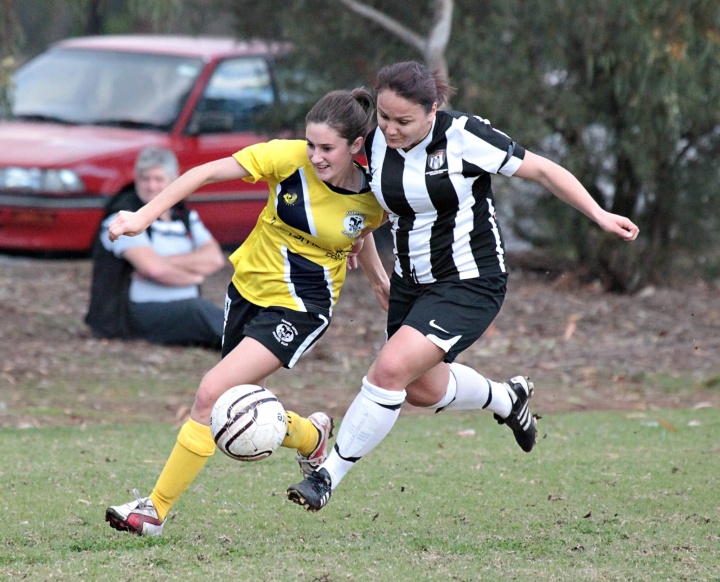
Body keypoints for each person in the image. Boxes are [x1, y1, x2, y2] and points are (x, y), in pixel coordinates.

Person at [287, 61, 640, 511]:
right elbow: (370, 211)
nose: (391, 130)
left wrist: (600, 215)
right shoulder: (374, 144)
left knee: (389, 370)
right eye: (385, 118)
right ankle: (506, 398)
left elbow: (545, 172)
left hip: (470, 281)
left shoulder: (464, 136)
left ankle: (326, 477)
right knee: (421, 390)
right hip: (412, 283)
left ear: (433, 110)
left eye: (403, 121)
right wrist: (375, 271)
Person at [104, 88, 388, 536]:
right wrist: (143, 216)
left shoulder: (376, 193)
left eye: (326, 148)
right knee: (232, 403)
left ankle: (153, 510)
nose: (314, 156)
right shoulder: (286, 157)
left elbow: (362, 229)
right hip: (245, 293)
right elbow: (201, 173)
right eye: (310, 144)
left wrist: (378, 281)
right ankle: (311, 438)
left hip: (301, 307)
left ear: (356, 146)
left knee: (211, 394)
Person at [85, 147, 226, 349]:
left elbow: (214, 259)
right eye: (145, 179)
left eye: (158, 179)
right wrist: (193, 276)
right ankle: (244, 345)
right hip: (133, 314)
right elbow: (154, 270)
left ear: (173, 182)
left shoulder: (184, 217)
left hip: (182, 308)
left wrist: (166, 262)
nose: (151, 186)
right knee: (198, 311)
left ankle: (243, 345)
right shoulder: (123, 218)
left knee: (208, 313)